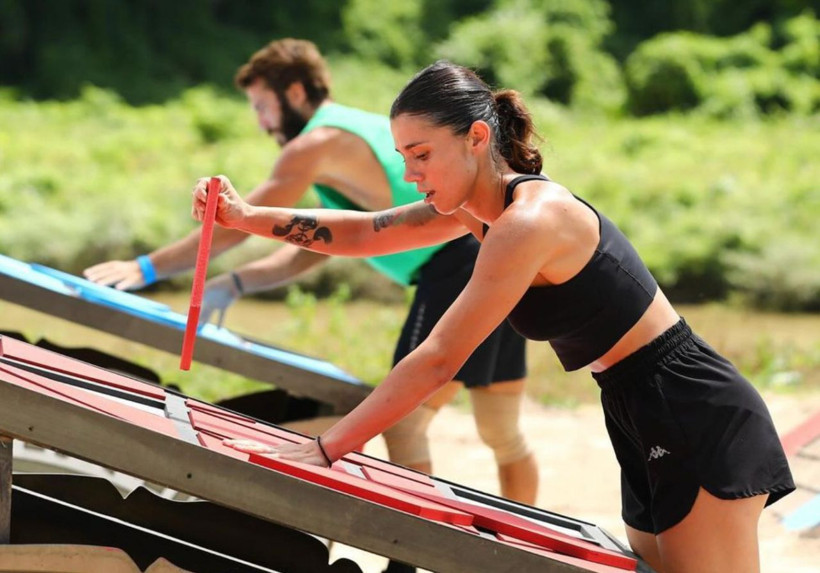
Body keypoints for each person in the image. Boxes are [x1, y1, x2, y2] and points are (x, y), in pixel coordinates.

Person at [199, 61, 796, 573]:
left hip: (689, 404)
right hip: (634, 404)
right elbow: (363, 232)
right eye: (406, 157)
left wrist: (329, 449)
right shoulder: (476, 213)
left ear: (477, 137)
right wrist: (245, 216)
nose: (411, 174)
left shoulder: (529, 222)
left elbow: (437, 358)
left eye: (423, 155)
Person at [83, 39, 538, 510]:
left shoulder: (314, 144)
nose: (261, 122)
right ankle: (525, 549)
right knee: (501, 431)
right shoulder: (349, 130)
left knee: (404, 424)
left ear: (296, 93)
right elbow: (323, 244)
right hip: (486, 256)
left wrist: (145, 267)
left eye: (262, 106)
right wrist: (238, 283)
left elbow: (232, 227)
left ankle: (409, 559)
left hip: (455, 267)